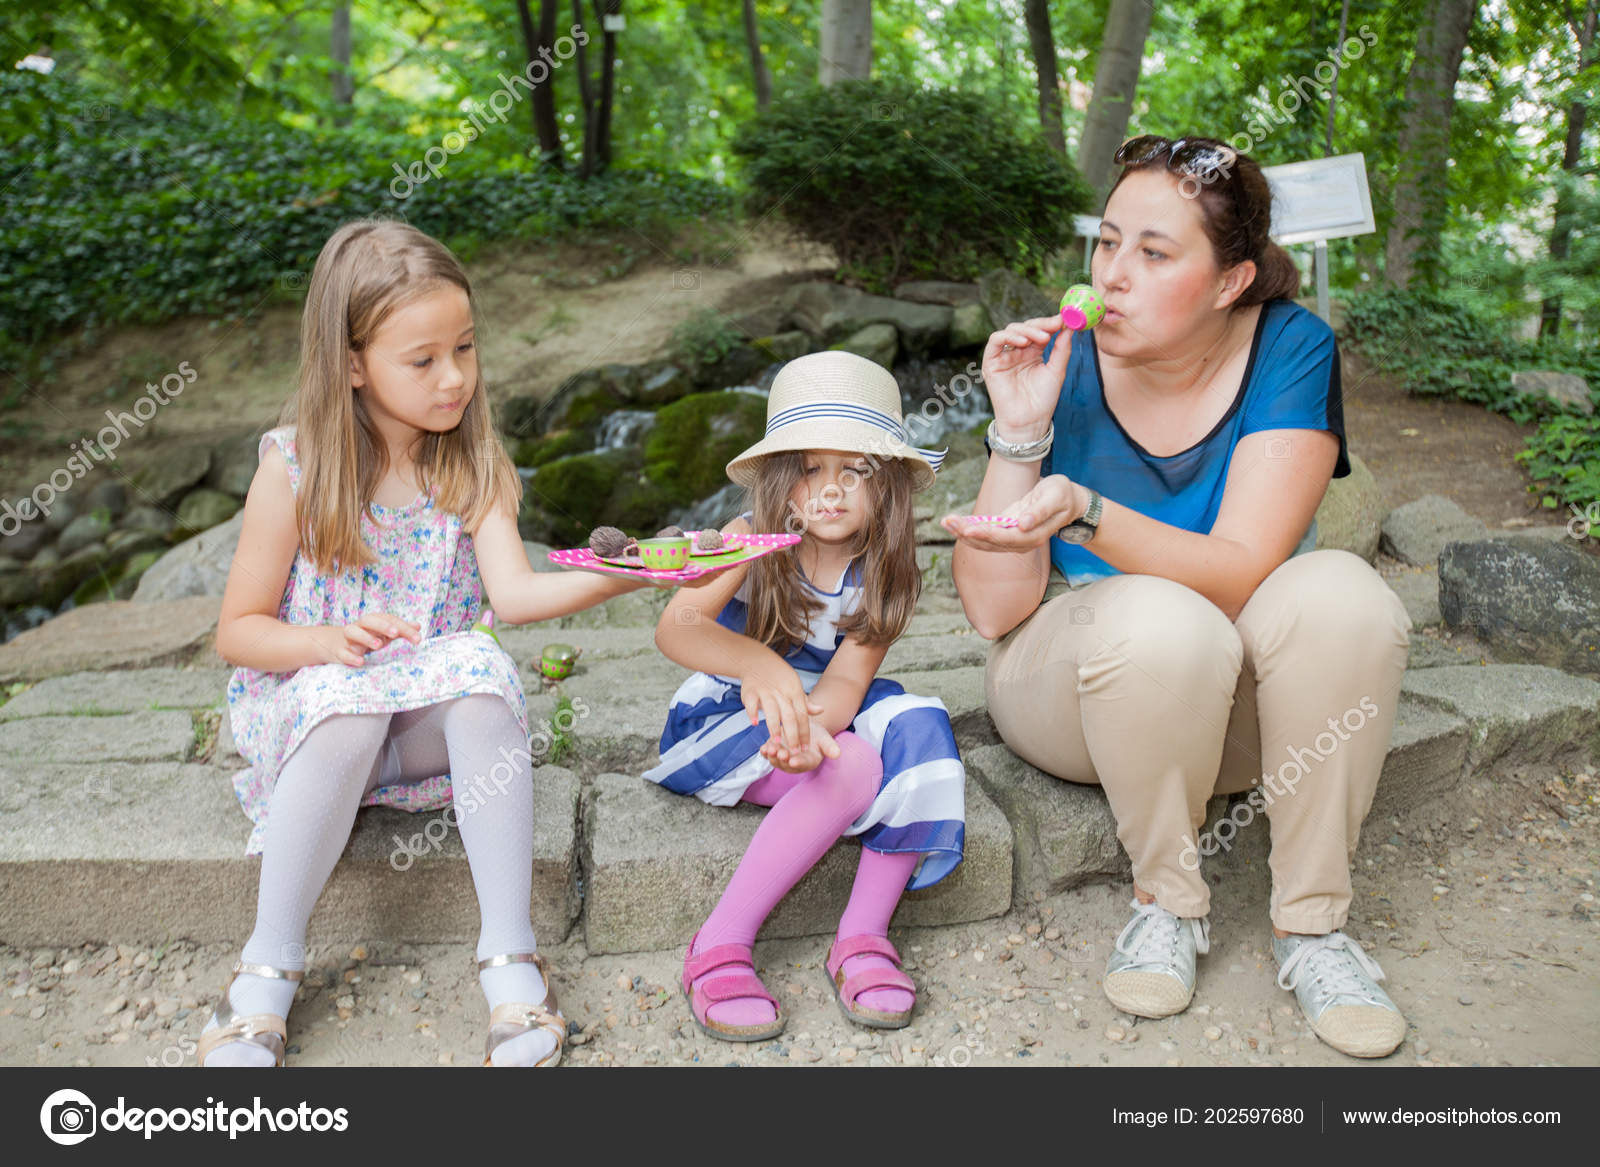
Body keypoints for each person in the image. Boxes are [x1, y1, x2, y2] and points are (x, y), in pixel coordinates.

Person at [943, 136, 1413, 1058]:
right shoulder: (1061, 359)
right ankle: (1166, 901)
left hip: (1232, 705)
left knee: (1345, 594)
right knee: (1161, 617)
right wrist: (1020, 429)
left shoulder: (1292, 345)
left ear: (1232, 281)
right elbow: (996, 615)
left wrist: (1086, 509)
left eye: (1154, 254)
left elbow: (1243, 568)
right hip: (1076, 689)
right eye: (1107, 242)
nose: (1112, 275)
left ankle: (1313, 925)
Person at [210, 219, 696, 1068]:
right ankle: (268, 964)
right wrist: (325, 638)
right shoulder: (294, 470)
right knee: (352, 702)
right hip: (317, 720)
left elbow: (513, 595)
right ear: (352, 362)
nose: (455, 377)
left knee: (477, 666)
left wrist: (629, 577)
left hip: (419, 735)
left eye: (465, 347)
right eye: (423, 359)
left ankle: (510, 960)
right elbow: (236, 631)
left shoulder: (470, 465)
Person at [645, 351, 967, 1041]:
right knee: (851, 765)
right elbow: (677, 627)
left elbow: (849, 683)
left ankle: (861, 936)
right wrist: (760, 667)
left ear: (890, 485)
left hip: (821, 714)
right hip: (730, 715)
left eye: (856, 469)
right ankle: (720, 943)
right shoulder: (746, 541)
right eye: (810, 468)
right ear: (781, 481)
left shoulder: (888, 572)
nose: (831, 489)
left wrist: (806, 733)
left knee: (918, 719)